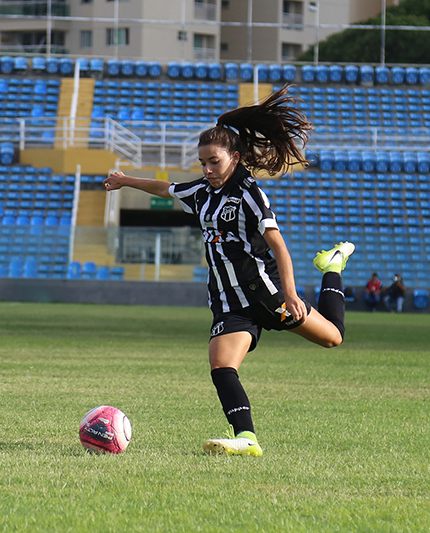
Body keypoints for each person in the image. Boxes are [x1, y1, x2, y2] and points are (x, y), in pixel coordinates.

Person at [103, 85, 355, 457]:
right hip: (226, 299)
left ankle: (332, 266)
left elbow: (279, 247)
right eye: (202, 162)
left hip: (265, 292)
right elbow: (166, 188)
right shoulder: (202, 192)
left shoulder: (251, 194)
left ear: (234, 158)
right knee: (221, 364)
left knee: (333, 338)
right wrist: (126, 180)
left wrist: (289, 294)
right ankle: (246, 438)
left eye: (214, 162)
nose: (207, 169)